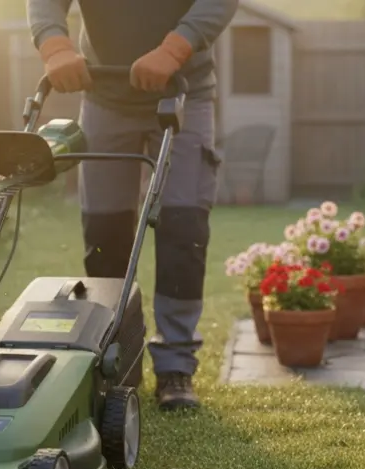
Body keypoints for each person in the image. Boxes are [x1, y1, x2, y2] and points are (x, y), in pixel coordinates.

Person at [27, 0, 238, 411]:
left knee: (183, 231)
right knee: (105, 236)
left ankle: (176, 367)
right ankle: (118, 360)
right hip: (105, 98)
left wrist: (173, 50)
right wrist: (55, 47)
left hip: (183, 94)